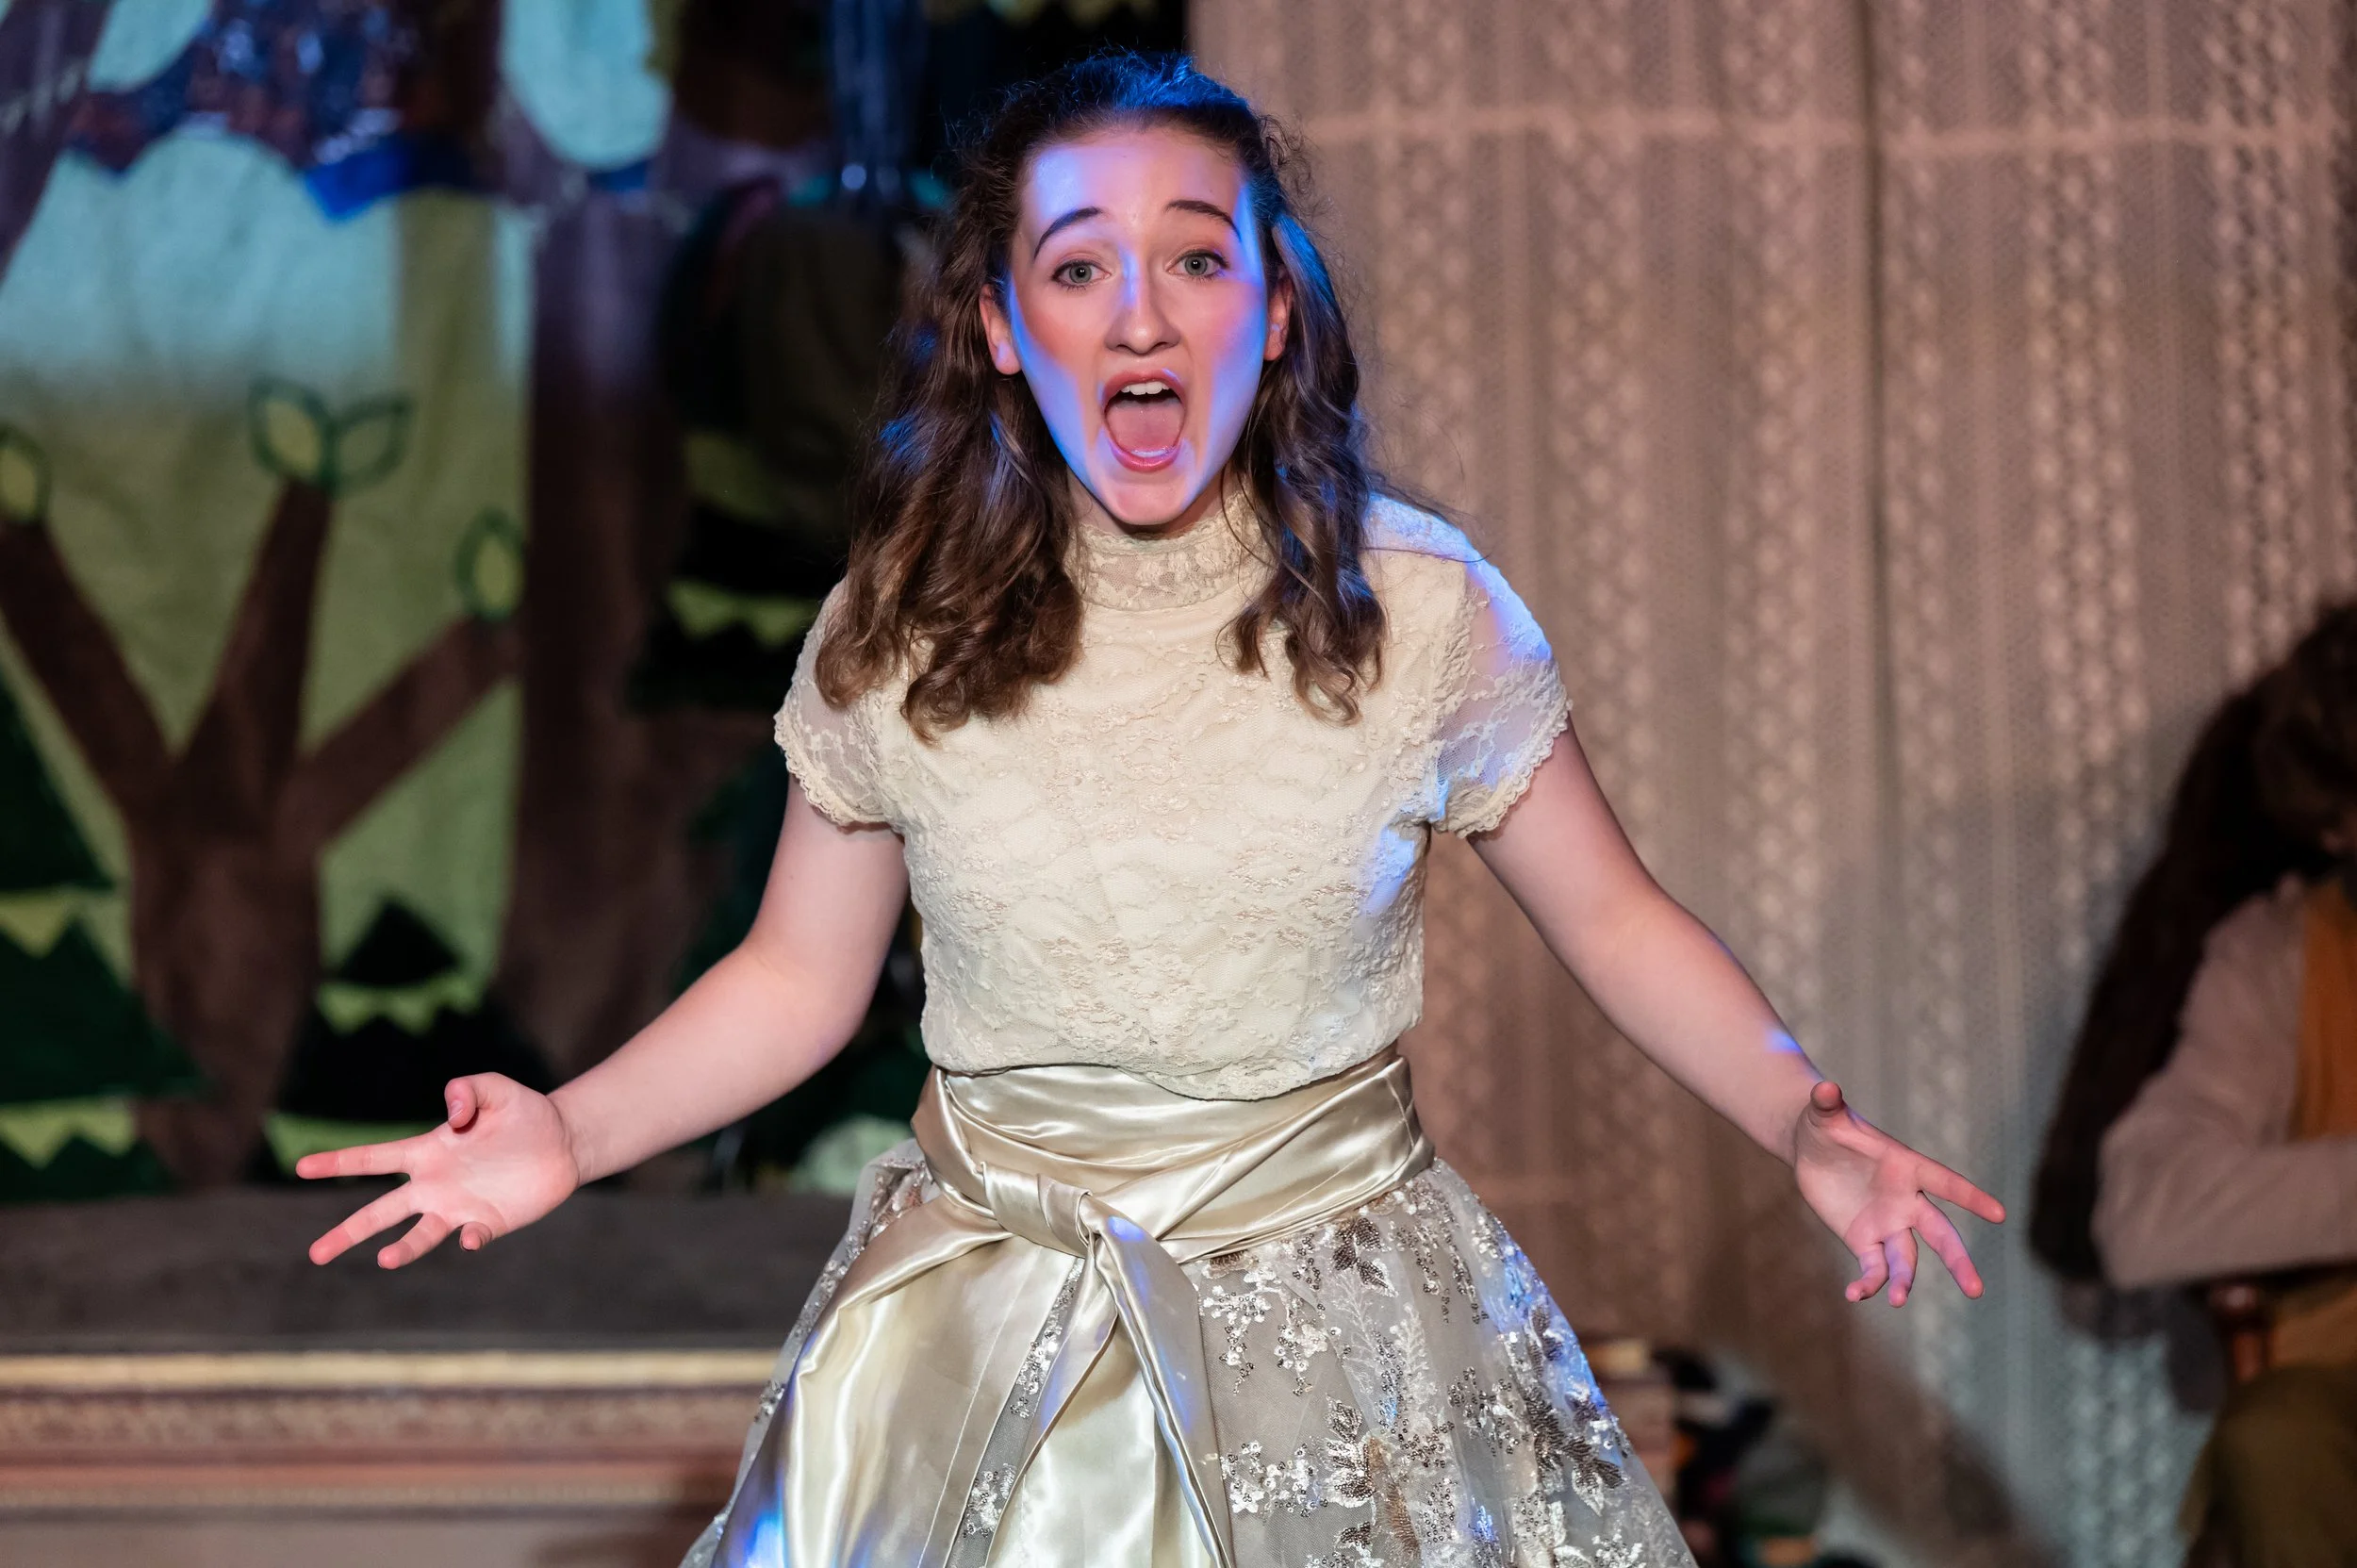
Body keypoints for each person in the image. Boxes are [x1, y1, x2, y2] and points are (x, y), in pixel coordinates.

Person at [298, 54, 2003, 1568]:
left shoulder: (1420, 611)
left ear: (1271, 310)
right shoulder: (898, 623)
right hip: (977, 1327)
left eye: (1197, 256)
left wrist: (1802, 1119)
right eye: (1079, 265)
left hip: (1343, 1327)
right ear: (999, 323)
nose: (1140, 313)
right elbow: (796, 980)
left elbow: (1617, 920)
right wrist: (571, 1134)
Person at [2052, 602, 2357, 1568]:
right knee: (2275, 1439)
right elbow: (2142, 1211)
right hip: (2334, 1393)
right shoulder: (2274, 960)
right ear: (2337, 815)